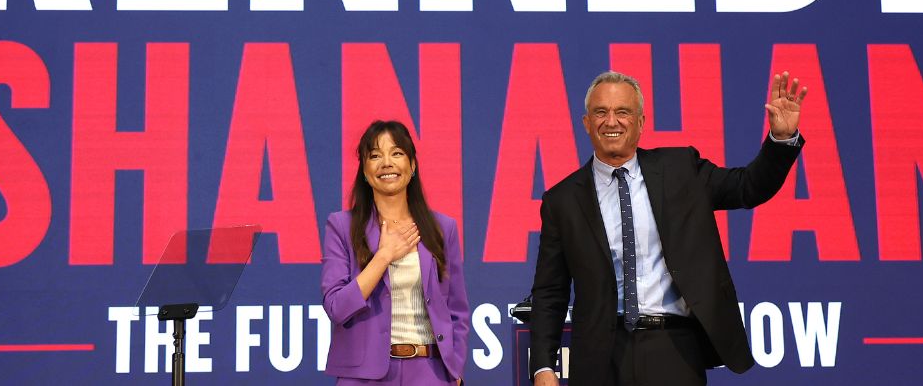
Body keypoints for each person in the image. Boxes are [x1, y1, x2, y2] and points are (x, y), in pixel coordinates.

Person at [530, 71, 807, 386]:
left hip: (675, 349)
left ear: (641, 122)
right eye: (600, 112)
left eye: (623, 112)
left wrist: (781, 140)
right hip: (599, 357)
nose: (611, 121)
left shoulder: (681, 170)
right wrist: (542, 366)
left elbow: (748, 187)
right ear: (586, 123)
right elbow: (550, 292)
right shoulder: (562, 200)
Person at [321, 120, 469, 385]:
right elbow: (336, 307)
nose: (386, 163)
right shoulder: (341, 226)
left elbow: (457, 308)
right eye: (375, 155)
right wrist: (383, 257)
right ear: (365, 172)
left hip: (430, 372)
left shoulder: (442, 228)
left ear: (412, 166)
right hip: (364, 376)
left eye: (397, 153)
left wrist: (454, 368)